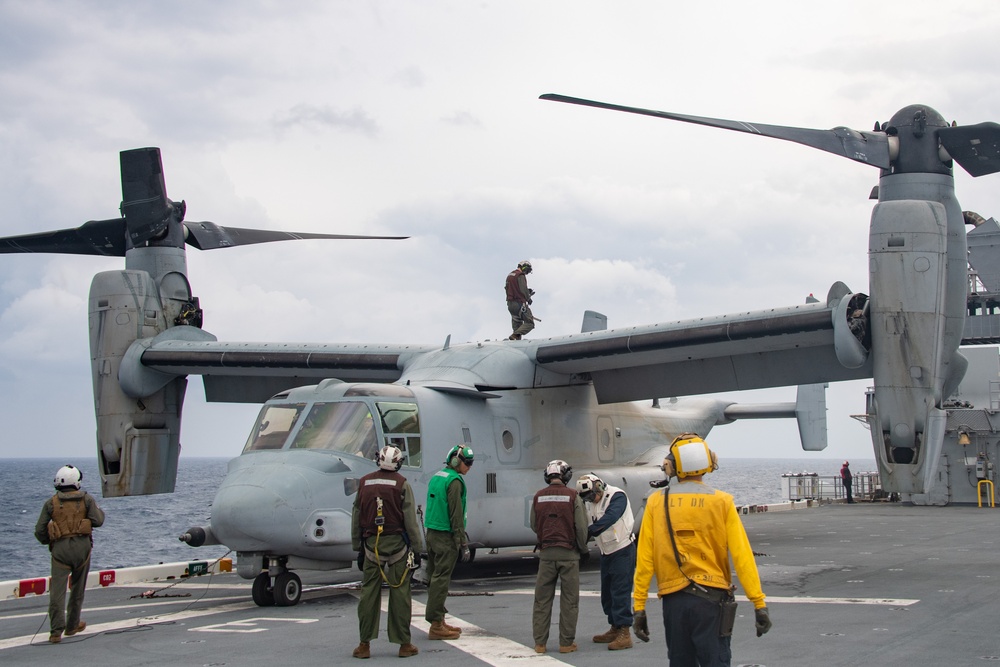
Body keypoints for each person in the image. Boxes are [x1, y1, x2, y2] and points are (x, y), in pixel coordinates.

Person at [633, 434, 772, 666]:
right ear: (709, 462)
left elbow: (645, 559)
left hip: (673, 601)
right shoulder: (722, 502)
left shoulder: (657, 502)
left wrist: (639, 607)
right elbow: (742, 556)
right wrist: (759, 603)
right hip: (712, 601)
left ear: (672, 465)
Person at [351, 445, 426, 659]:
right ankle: (404, 644)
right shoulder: (401, 484)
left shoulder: (364, 483)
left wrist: (357, 546)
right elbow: (410, 520)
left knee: (368, 595)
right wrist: (417, 548)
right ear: (398, 463)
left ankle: (364, 645)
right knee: (400, 594)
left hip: (371, 546)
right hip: (398, 547)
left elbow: (356, 514)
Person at [34, 464, 105, 644]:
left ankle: (55, 631)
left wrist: (48, 541)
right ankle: (72, 625)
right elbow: (98, 521)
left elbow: (40, 529)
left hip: (60, 550)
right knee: (78, 588)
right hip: (82, 548)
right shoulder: (86, 499)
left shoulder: (52, 502)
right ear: (76, 482)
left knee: (57, 591)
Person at [530, 460, 589, 655]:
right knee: (569, 600)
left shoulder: (538, 497)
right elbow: (581, 527)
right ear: (566, 476)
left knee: (542, 600)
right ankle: (566, 643)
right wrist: (583, 549)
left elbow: (533, 524)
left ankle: (540, 644)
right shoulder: (573, 496)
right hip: (569, 555)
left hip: (546, 555)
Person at [576, 473, 636, 650]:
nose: (591, 500)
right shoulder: (590, 503)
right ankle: (615, 627)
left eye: (591, 495)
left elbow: (610, 517)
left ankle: (625, 632)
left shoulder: (617, 496)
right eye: (586, 498)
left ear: (599, 487)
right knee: (607, 594)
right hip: (606, 551)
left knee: (620, 591)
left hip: (622, 550)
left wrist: (589, 532)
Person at [423, 444, 474, 640]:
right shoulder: (455, 482)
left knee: (434, 577)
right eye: (467, 462)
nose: (469, 466)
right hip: (446, 537)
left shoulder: (437, 477)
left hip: (432, 533)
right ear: (455, 461)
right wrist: (462, 542)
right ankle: (436, 624)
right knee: (441, 580)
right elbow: (456, 515)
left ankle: (439, 619)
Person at [505, 260, 535, 340]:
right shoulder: (520, 275)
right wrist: (528, 298)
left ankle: (515, 340)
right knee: (530, 323)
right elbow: (523, 289)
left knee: (517, 325)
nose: (527, 273)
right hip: (519, 304)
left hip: (510, 305)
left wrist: (527, 292)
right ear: (525, 267)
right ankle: (515, 335)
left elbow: (511, 289)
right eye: (527, 271)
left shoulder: (510, 275)